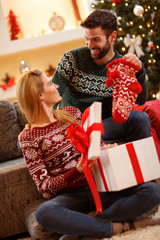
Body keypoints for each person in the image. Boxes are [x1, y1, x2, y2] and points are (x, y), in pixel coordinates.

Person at [17, 69, 160, 239]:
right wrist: (76, 171)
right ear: (40, 95)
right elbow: (45, 188)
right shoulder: (28, 138)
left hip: (99, 185)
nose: (56, 86)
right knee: (44, 213)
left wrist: (105, 150)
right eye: (49, 84)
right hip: (70, 197)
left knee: (152, 191)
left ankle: (88, 228)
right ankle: (116, 227)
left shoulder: (72, 113)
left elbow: (96, 145)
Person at [52, 9, 150, 142]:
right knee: (21, 144)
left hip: (104, 125)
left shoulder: (122, 66)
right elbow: (53, 95)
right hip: (74, 125)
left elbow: (140, 101)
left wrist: (139, 71)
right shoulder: (72, 59)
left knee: (140, 118)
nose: (90, 45)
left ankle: (137, 161)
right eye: (87, 39)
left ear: (112, 37)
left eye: (96, 40)